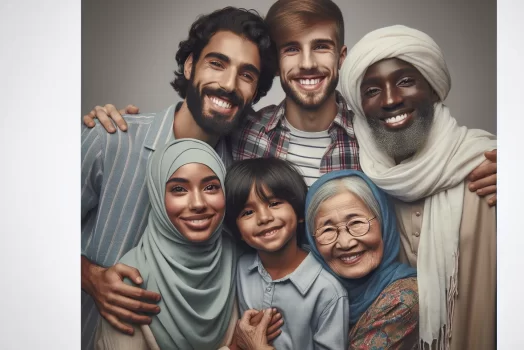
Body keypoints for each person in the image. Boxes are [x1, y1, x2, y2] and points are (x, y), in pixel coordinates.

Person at [82, 0, 498, 204]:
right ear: (276, 63)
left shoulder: (376, 131)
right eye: (291, 50)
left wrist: (501, 165)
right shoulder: (242, 135)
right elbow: (182, 144)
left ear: (341, 57)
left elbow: (444, 154)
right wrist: (113, 126)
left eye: (321, 47)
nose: (308, 63)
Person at [80, 7, 277, 350]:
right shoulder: (111, 138)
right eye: (217, 63)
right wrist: (89, 277)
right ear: (190, 66)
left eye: (247, 75)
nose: (229, 84)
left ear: (256, 90)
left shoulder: (238, 178)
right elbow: (24, 231)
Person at [339, 25, 497, 350]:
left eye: (406, 81)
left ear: (434, 88)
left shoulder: (489, 163)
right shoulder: (363, 181)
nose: (391, 99)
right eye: (371, 91)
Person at [224, 158, 349, 349]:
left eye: (274, 203)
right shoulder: (239, 269)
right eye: (247, 212)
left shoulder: (327, 291)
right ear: (237, 231)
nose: (264, 218)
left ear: (299, 212)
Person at [305, 170, 419, 350]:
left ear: (384, 223)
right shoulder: (313, 291)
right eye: (327, 230)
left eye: (357, 223)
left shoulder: (403, 298)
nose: (345, 243)